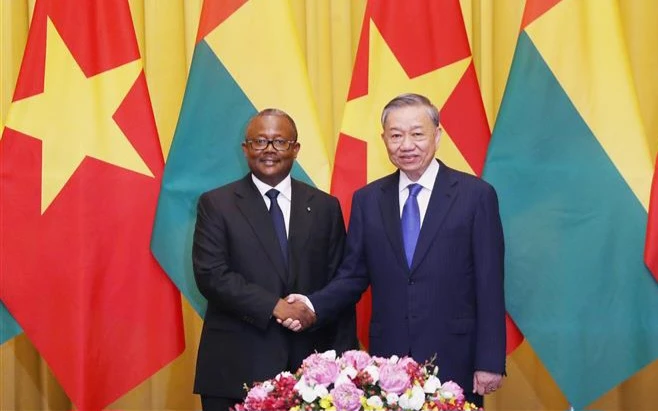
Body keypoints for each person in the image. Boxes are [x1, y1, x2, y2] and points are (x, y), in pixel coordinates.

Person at [284, 93, 506, 406]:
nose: (406, 145)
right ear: (384, 139)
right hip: (387, 363)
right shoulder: (368, 200)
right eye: (396, 135)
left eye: (417, 134)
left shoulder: (475, 196)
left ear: (438, 135)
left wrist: (490, 360)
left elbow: (490, 282)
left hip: (456, 355)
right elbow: (353, 276)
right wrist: (311, 303)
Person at [192, 108, 357, 411]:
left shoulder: (325, 207)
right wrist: (275, 306)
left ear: (295, 149)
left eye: (279, 142)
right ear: (245, 149)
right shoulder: (216, 204)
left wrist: (345, 362)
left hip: (312, 370)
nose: (269, 150)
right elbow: (211, 275)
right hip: (236, 367)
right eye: (260, 142)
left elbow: (341, 281)